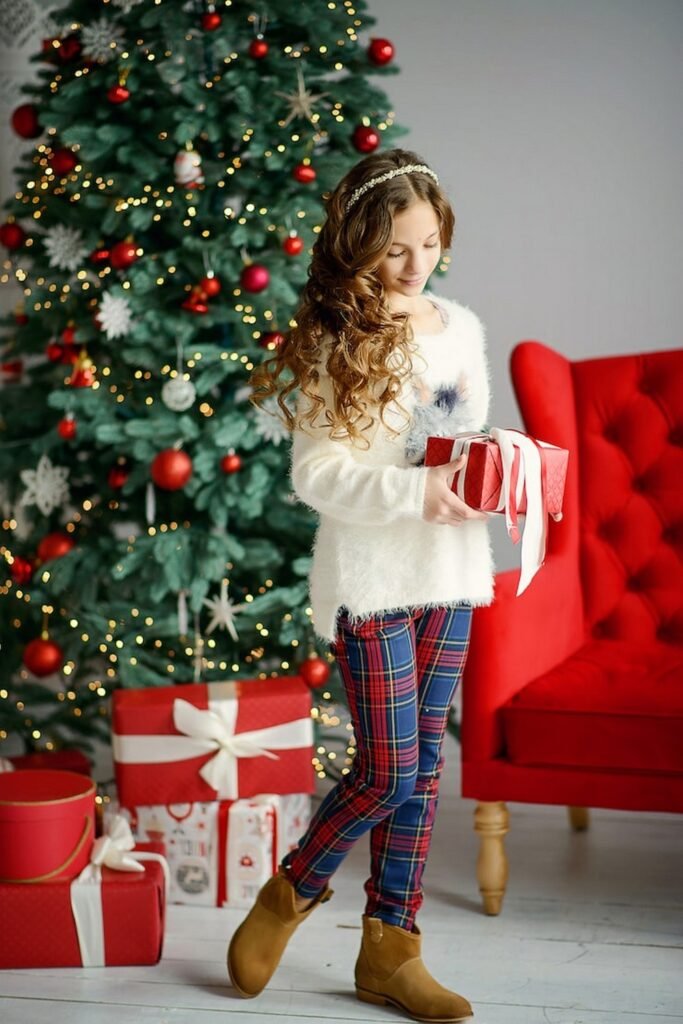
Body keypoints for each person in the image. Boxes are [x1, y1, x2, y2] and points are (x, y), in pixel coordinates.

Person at [227, 148, 494, 1023]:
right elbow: (320, 476)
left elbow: (463, 444)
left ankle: (391, 947)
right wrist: (415, 490)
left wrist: (503, 475)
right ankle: (291, 892)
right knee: (387, 769)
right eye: (394, 250)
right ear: (358, 247)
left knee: (424, 769)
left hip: (449, 576)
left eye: (428, 243)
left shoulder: (460, 327)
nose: (415, 265)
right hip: (372, 580)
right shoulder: (335, 342)